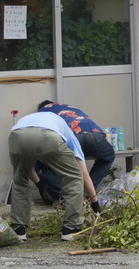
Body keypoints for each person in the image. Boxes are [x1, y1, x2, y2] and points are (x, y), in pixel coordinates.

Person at [7, 108, 100, 240]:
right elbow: (83, 172)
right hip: (48, 136)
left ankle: (19, 230)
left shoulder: (29, 118)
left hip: (17, 136)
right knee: (73, 177)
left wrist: (39, 183)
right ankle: (71, 228)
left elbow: (27, 167)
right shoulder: (63, 126)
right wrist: (95, 203)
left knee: (19, 180)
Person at [32, 100, 116, 204]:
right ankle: (87, 194)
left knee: (43, 164)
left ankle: (64, 198)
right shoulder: (70, 107)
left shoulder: (42, 112)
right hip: (95, 136)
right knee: (108, 156)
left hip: (70, 138)